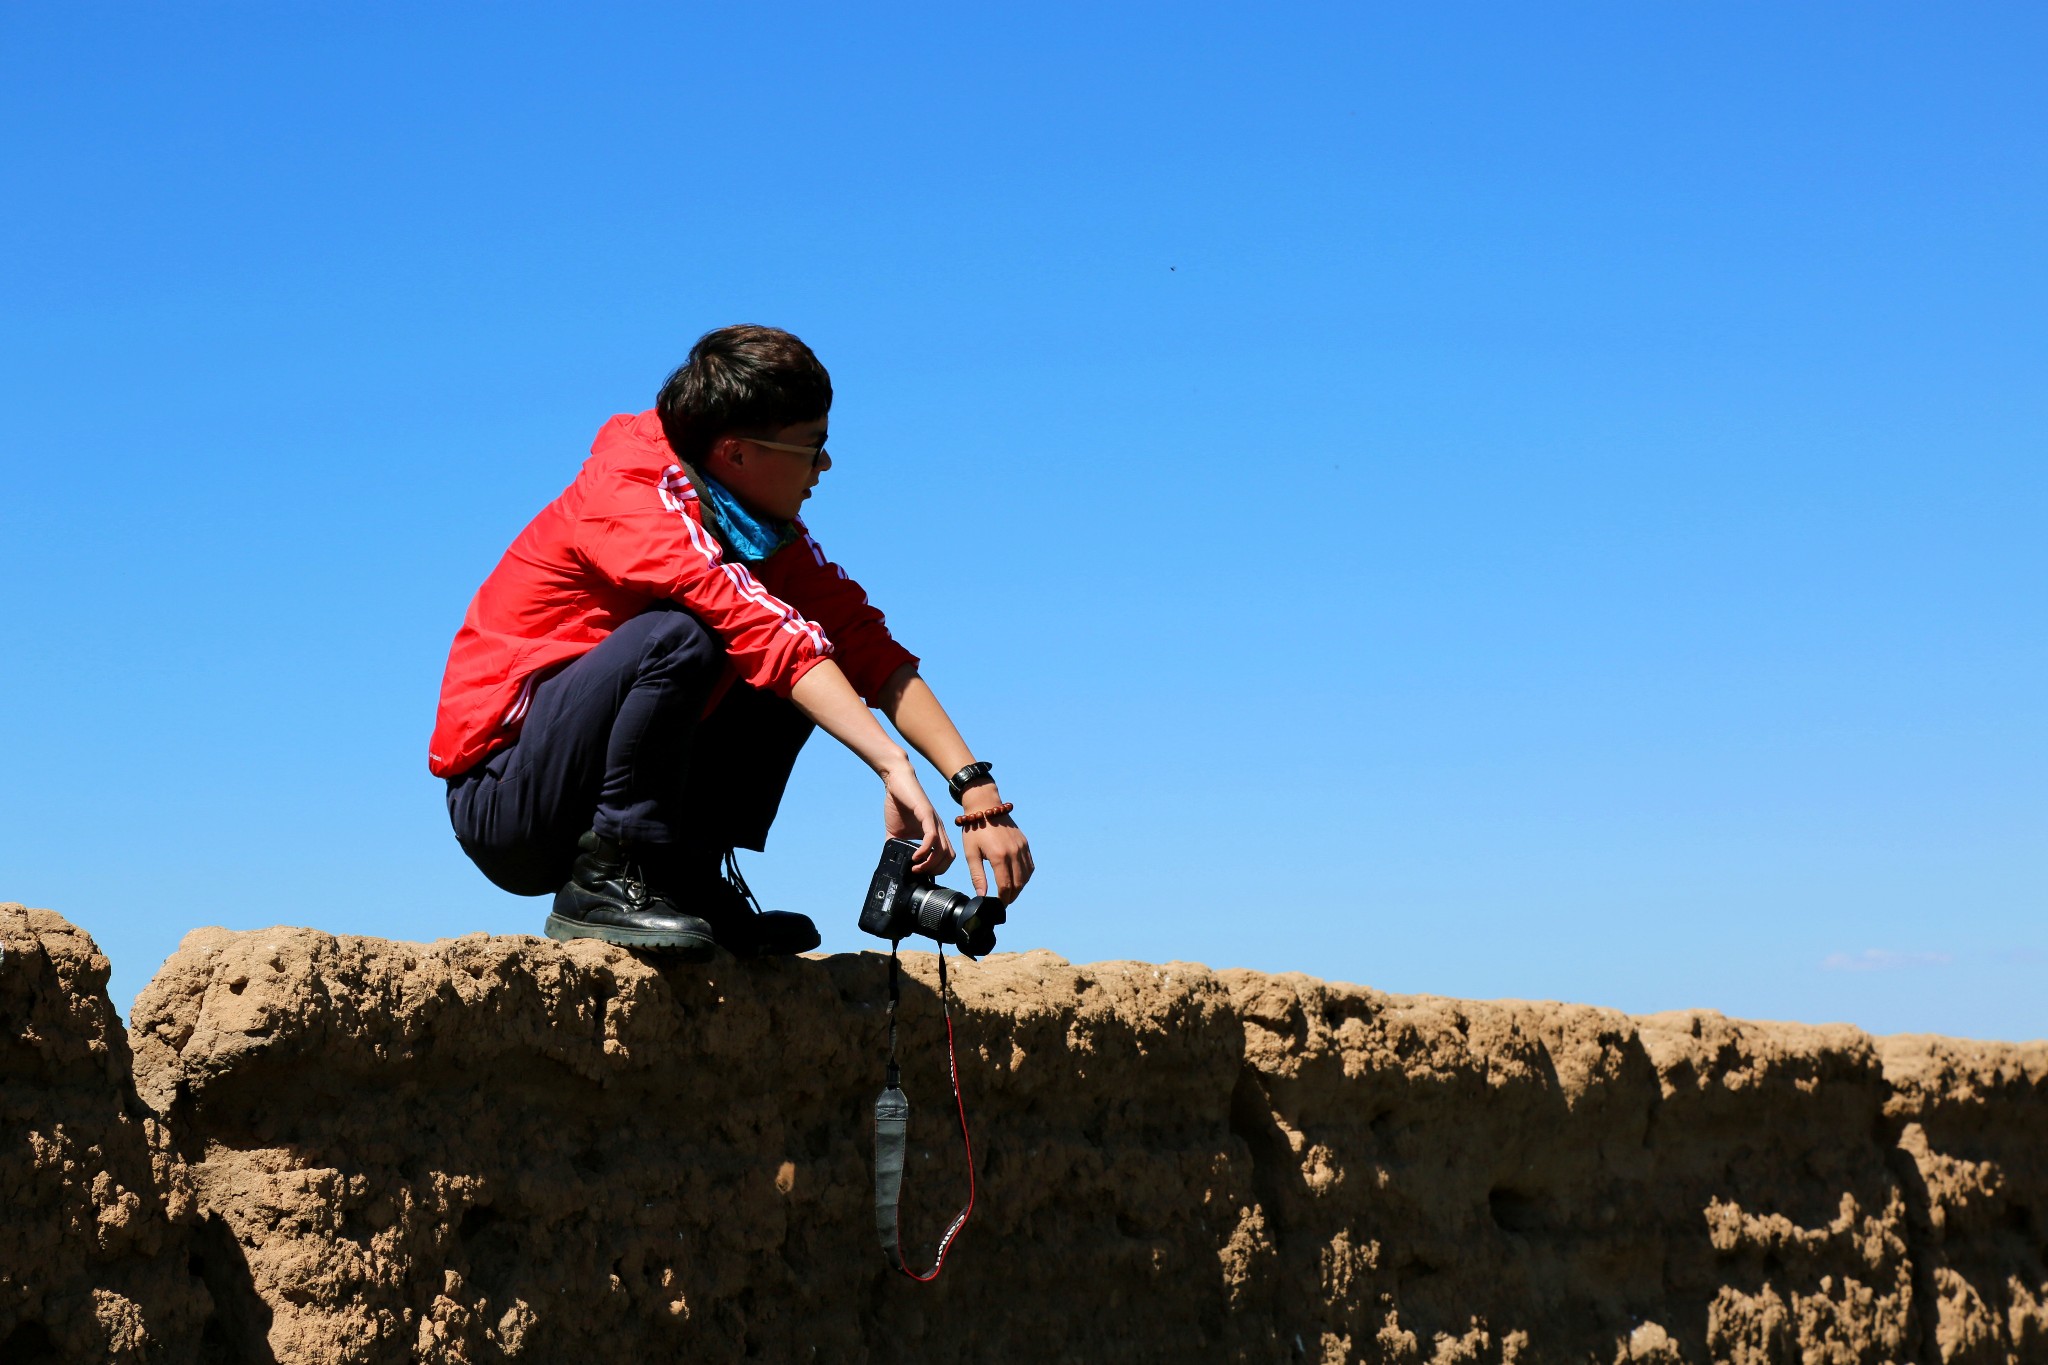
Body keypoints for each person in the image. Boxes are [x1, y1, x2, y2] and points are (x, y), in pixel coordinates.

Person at [428, 325, 1032, 958]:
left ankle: (685, 880)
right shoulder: (628, 496)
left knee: (811, 646)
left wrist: (976, 793)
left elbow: (864, 645)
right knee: (690, 634)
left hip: (571, 783)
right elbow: (756, 627)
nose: (825, 466)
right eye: (812, 445)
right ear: (737, 452)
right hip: (509, 800)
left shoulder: (751, 525)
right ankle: (608, 879)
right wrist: (890, 763)